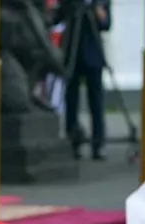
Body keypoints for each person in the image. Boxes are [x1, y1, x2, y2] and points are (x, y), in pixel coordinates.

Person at [56, 0, 111, 160]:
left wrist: (98, 12)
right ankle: (73, 140)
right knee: (71, 101)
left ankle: (98, 143)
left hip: (93, 55)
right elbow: (57, 18)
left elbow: (106, 24)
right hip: (72, 53)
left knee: (96, 102)